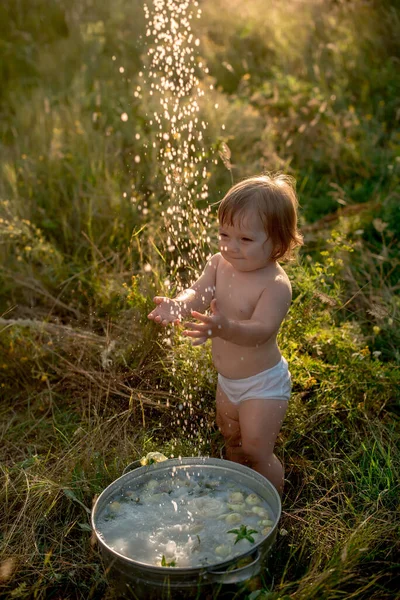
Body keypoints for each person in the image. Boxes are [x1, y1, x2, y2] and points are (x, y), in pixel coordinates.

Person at [147, 173, 303, 495]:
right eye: (224, 234)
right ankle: (239, 495)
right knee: (232, 439)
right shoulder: (219, 263)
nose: (231, 246)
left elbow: (260, 331)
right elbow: (199, 292)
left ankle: (271, 507)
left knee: (257, 450)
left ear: (277, 243)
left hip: (262, 384)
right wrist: (179, 304)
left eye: (245, 240)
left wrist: (224, 328)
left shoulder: (274, 285)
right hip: (227, 382)